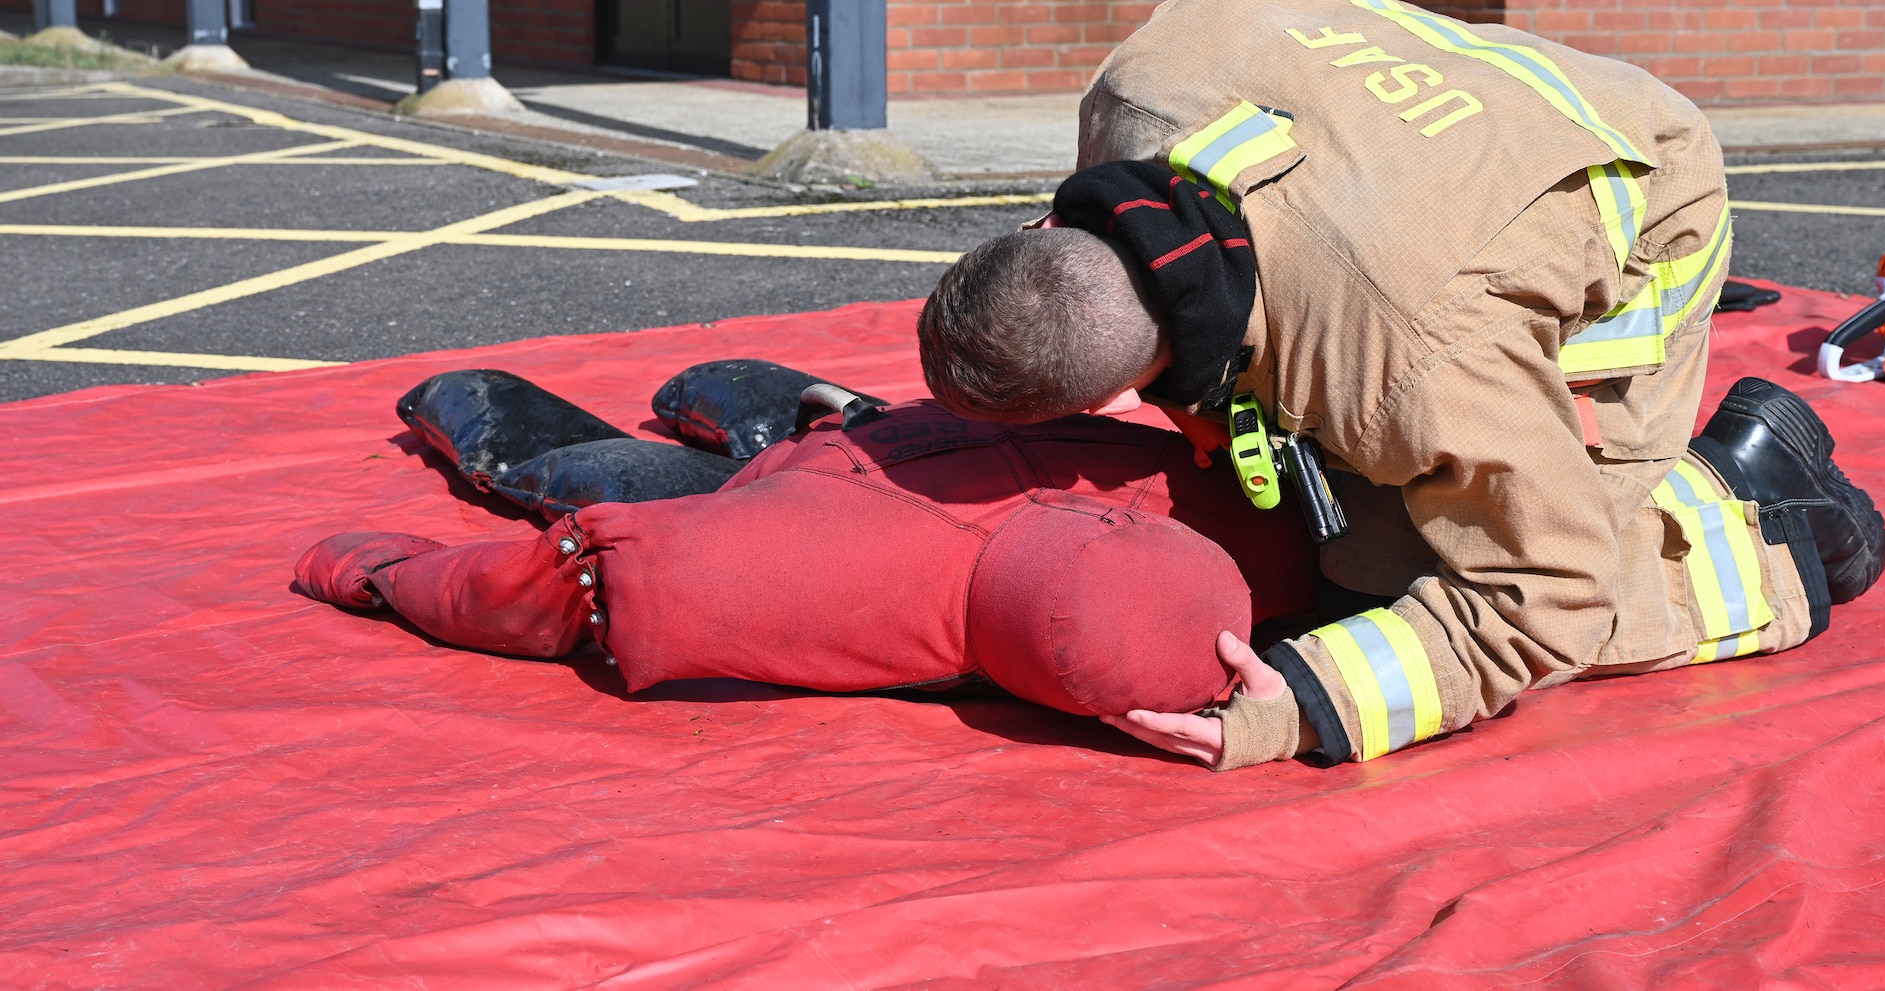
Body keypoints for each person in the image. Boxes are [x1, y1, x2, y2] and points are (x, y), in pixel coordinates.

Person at [917, 0, 1885, 770]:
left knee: (1385, 575)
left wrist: (1309, 700)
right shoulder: (1137, 90)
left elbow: (1539, 600)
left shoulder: (1417, 359)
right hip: (1484, 117)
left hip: (1642, 186)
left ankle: (1766, 521)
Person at [295, 395, 1331, 723]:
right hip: (890, 437)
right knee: (763, 411)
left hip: (828, 475)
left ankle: (470, 394)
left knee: (579, 471)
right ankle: (786, 407)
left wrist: (377, 568)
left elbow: (559, 581)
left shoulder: (785, 570)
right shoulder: (1263, 535)